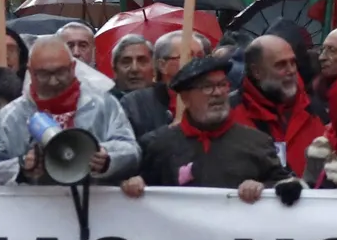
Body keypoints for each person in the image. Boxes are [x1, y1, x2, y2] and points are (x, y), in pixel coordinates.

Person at [124, 56, 301, 203]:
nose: (217, 93)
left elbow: (287, 185)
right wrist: (134, 183)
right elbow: (143, 186)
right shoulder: (160, 145)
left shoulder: (258, 142)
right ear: (186, 98)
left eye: (222, 85)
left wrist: (263, 187)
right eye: (207, 87)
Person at [0, 38, 138, 185]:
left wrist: (108, 157)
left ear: (73, 67)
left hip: (92, 205)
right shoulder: (9, 117)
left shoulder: (103, 104)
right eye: (44, 74)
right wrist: (20, 166)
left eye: (60, 72)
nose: (53, 81)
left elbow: (132, 150)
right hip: (32, 207)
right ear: (30, 71)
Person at [231, 34, 322, 175]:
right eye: (281, 65)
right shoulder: (228, 113)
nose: (291, 70)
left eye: (293, 62)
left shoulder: (317, 110)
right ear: (257, 72)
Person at [120, 30, 210, 140]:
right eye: (188, 56)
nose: (197, 62)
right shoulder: (134, 103)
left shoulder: (212, 95)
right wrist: (169, 132)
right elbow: (130, 148)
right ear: (162, 65)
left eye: (200, 56)